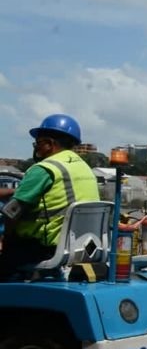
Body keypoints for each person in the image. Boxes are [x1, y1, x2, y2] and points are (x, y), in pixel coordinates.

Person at [0, 114, 100, 280]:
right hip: (81, 245)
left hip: (44, 249)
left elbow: (11, 213)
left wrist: (6, 239)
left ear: (50, 143)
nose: (36, 148)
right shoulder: (84, 167)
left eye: (38, 143)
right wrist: (14, 192)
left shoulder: (44, 169)